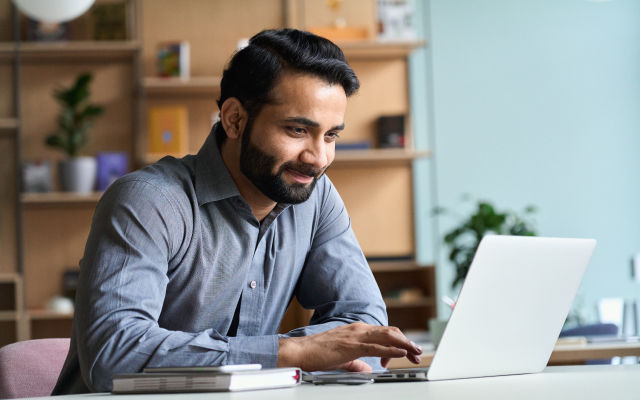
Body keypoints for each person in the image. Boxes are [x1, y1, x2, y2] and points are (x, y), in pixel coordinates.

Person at [52, 28, 422, 394]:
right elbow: (114, 356)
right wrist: (291, 352)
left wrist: (310, 353)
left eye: (330, 136)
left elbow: (365, 323)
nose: (318, 158)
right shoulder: (147, 201)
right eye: (297, 130)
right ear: (234, 120)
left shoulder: (316, 196)